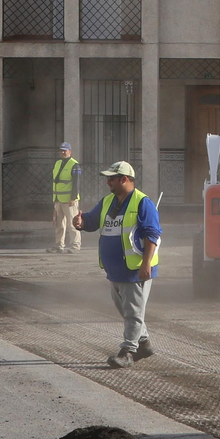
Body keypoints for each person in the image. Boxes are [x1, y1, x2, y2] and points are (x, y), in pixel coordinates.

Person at [73, 161, 161, 368]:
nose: (107, 182)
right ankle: (144, 344)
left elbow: (152, 235)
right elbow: (92, 221)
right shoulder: (108, 202)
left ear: (124, 179)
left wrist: (146, 264)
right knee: (127, 309)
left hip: (135, 269)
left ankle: (128, 352)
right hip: (115, 270)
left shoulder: (142, 202)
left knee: (132, 312)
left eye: (111, 178)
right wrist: (81, 223)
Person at [47, 142, 81, 254]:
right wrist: (55, 199)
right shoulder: (57, 163)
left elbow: (76, 183)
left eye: (65, 150)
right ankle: (58, 246)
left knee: (72, 224)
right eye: (61, 150)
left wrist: (73, 197)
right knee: (59, 224)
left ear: (70, 152)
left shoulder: (74, 164)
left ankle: (75, 246)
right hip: (58, 199)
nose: (63, 152)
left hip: (69, 200)